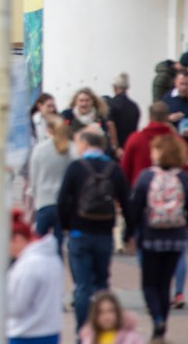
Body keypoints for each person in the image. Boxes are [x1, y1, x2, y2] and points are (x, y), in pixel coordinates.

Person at [57, 128, 132, 333]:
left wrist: (65, 226)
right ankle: (103, 331)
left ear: (84, 144)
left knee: (82, 287)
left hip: (79, 232)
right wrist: (128, 233)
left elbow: (62, 200)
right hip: (104, 233)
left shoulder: (76, 167)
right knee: (101, 283)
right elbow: (126, 202)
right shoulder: (114, 169)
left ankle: (83, 332)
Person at [128, 134, 188, 342]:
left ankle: (157, 320)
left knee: (149, 283)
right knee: (165, 283)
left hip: (151, 236)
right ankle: (163, 323)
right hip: (176, 237)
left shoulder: (146, 177)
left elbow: (135, 207)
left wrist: (130, 232)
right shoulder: (183, 178)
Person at [6, 211, 63, 344]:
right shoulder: (53, 258)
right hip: (51, 330)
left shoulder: (27, 266)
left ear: (17, 239)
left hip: (25, 333)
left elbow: (17, 306)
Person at [29, 116, 73, 250]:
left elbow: (34, 178)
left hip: (44, 201)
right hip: (63, 203)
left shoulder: (40, 149)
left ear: (49, 130)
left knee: (38, 243)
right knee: (59, 243)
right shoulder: (71, 149)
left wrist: (35, 198)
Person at [121, 102, 177, 186]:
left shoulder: (135, 138)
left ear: (149, 117)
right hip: (172, 191)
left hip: (141, 190)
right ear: (167, 117)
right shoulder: (177, 141)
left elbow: (125, 169)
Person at [62, 88, 119, 154]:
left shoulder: (99, 117)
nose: (84, 104)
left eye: (87, 100)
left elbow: (105, 140)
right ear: (76, 102)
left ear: (92, 101)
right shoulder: (67, 115)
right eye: (81, 101)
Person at [78, 291, 144, 344]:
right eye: (101, 312)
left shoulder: (132, 339)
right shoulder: (88, 338)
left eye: (111, 311)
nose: (106, 316)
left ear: (118, 312)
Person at [107, 72, 141, 150]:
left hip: (117, 150)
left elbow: (110, 124)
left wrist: (115, 147)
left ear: (114, 87)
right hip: (130, 147)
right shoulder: (134, 106)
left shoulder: (110, 104)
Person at [162, 70, 188, 135]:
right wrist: (169, 118)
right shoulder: (167, 99)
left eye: (187, 84)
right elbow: (158, 119)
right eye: (182, 84)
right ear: (175, 83)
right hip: (173, 139)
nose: (184, 87)